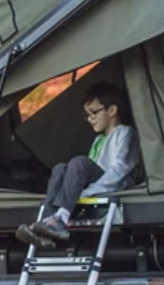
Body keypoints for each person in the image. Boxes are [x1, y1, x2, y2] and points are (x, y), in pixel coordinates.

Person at [16, 81, 138, 248]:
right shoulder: (98, 140)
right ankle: (46, 221)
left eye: (94, 112)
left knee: (79, 162)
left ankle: (62, 218)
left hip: (113, 184)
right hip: (95, 183)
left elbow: (119, 169)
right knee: (60, 168)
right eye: (87, 115)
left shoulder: (124, 133)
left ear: (112, 110)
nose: (90, 119)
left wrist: (87, 192)